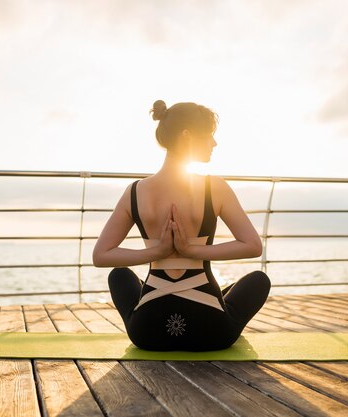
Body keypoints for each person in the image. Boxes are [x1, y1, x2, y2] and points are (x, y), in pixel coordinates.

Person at [92, 100, 271, 351]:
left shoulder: (135, 191)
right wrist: (193, 251)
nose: (214, 143)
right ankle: (220, 299)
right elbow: (252, 246)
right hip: (212, 332)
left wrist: (155, 253)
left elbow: (101, 255)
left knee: (119, 275)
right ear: (187, 135)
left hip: (148, 333)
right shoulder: (214, 187)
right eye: (209, 135)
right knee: (258, 280)